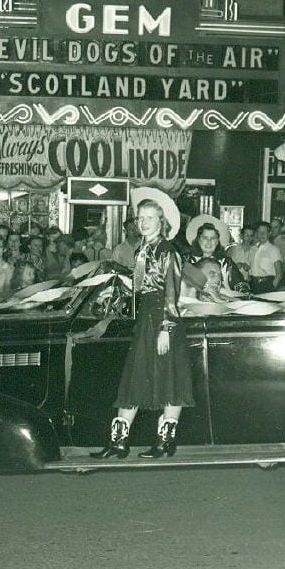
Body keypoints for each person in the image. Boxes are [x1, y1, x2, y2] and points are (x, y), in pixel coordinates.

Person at [92, 189, 193, 460]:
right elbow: (140, 287)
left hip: (162, 319)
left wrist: (166, 329)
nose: (144, 222)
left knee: (170, 380)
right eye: (140, 217)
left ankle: (164, 442)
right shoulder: (142, 249)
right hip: (146, 318)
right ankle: (119, 443)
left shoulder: (167, 251)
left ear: (162, 221)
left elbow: (171, 292)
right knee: (134, 378)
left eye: (150, 217)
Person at [182, 215, 247, 295]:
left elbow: (240, 284)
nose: (209, 242)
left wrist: (245, 293)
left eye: (213, 238)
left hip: (223, 300)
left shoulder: (226, 262)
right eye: (205, 238)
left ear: (218, 241)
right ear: (198, 239)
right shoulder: (188, 261)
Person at [250, 222, 283, 292]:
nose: (262, 234)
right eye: (260, 232)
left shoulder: (274, 250)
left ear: (269, 233)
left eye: (264, 232)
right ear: (257, 233)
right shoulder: (252, 249)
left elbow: (279, 274)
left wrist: (271, 288)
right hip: (253, 285)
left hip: (267, 285)